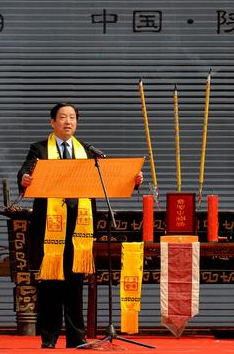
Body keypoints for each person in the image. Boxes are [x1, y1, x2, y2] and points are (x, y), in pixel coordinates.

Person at [18, 102, 142, 349]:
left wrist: (133, 181)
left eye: (72, 117)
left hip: (79, 227)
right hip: (49, 226)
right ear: (52, 122)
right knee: (52, 283)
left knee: (75, 283)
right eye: (62, 117)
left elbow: (105, 178)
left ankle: (77, 337)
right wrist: (24, 178)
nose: (68, 122)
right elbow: (25, 173)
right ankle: (49, 337)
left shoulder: (86, 150)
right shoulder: (40, 149)